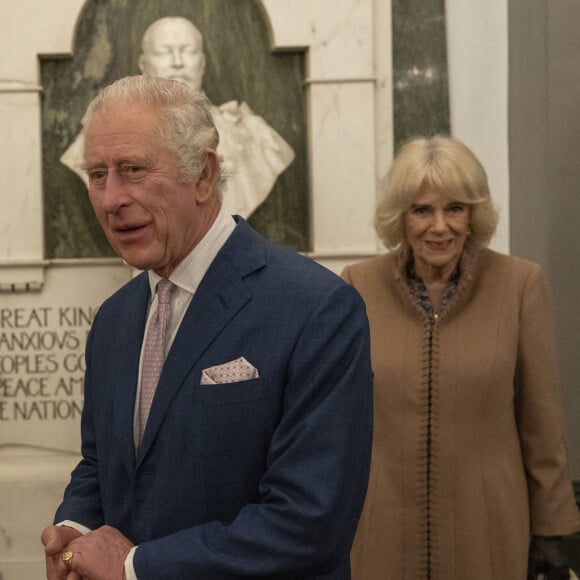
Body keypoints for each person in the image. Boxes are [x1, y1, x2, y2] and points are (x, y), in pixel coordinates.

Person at [41, 75, 373, 579]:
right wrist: (75, 527)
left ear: (203, 174)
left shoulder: (318, 308)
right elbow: (100, 468)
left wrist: (135, 567)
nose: (110, 200)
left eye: (132, 169)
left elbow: (310, 521)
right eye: (97, 174)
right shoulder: (113, 320)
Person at [342, 135, 580, 579]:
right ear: (401, 217)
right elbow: (337, 424)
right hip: (380, 531)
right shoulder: (359, 286)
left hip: (489, 531)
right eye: (422, 210)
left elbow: (542, 424)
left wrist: (553, 529)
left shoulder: (520, 285)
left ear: (473, 215)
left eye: (454, 209)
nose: (439, 226)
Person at [60, 15, 295, 220]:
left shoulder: (256, 135)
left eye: (188, 51)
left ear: (202, 63)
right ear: (143, 64)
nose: (178, 62)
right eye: (164, 52)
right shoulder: (98, 138)